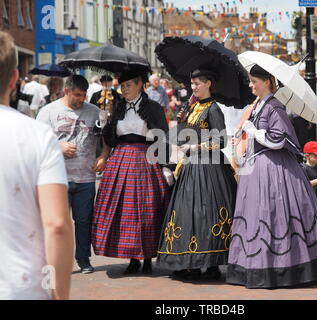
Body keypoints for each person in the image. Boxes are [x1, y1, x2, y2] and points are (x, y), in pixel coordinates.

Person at [225, 64, 317, 289]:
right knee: (259, 215)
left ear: (267, 81)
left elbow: (278, 140)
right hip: (257, 168)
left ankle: (284, 268)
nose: (250, 85)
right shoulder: (257, 105)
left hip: (274, 169)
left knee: (274, 214)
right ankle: (258, 266)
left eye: (254, 81)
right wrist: (243, 140)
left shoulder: (275, 107)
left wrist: (254, 131)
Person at [0, 31, 74, 300]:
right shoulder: (37, 136)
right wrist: (60, 294)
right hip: (22, 287)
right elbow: (56, 224)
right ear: (14, 79)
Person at [157, 68, 237, 281]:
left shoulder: (213, 109)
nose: (193, 87)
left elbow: (221, 141)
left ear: (208, 83)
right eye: (192, 84)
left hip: (209, 167)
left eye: (198, 84)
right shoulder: (193, 107)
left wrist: (196, 147)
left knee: (207, 212)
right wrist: (182, 122)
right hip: (191, 166)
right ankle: (189, 261)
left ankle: (211, 262)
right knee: (188, 212)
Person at [91, 69, 172, 275]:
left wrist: (164, 165)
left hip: (146, 158)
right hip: (121, 159)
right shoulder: (117, 107)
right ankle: (133, 257)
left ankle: (147, 258)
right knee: (124, 210)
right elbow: (110, 139)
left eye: (127, 85)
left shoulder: (153, 108)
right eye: (122, 85)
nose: (123, 89)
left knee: (147, 208)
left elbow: (161, 136)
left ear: (139, 85)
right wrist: (105, 120)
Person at [37, 75, 102, 274]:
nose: (81, 99)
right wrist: (58, 146)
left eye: (84, 95)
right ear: (67, 91)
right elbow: (37, 141)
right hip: (57, 179)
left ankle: (83, 259)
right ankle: (55, 261)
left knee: (84, 221)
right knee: (57, 223)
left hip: (86, 178)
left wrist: (104, 156)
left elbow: (106, 138)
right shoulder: (48, 111)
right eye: (77, 95)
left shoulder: (94, 112)